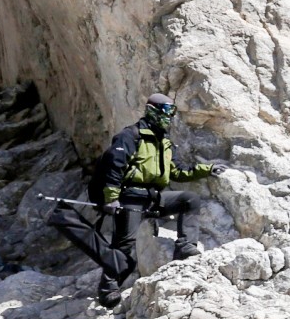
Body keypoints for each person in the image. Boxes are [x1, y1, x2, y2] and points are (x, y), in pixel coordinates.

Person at [50, 93, 218, 306]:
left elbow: (176, 172)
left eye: (172, 112)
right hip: (130, 197)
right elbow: (114, 165)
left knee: (189, 200)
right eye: (166, 111)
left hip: (154, 197)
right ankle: (108, 288)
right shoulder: (130, 135)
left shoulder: (164, 141)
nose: (169, 116)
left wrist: (207, 169)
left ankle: (184, 246)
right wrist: (111, 198)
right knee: (124, 244)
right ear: (152, 110)